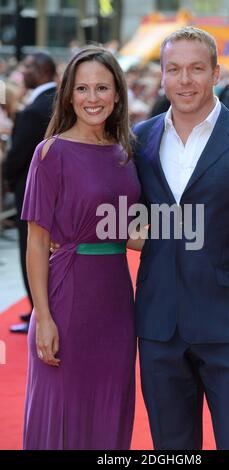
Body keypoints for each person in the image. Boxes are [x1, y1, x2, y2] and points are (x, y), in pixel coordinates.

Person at [133, 27, 229, 450]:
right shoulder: (138, 140)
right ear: (162, 76)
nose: (185, 80)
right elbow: (126, 219)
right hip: (158, 325)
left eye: (197, 68)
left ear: (216, 72)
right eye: (175, 69)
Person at [21, 46, 140, 449]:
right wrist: (45, 317)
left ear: (117, 94)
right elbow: (37, 242)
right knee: (63, 411)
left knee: (110, 410)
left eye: (102, 88)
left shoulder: (125, 153)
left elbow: (128, 232)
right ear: (69, 95)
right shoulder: (50, 153)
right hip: (66, 299)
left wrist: (198, 229)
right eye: (83, 88)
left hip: (117, 304)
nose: (93, 98)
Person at [3, 53, 57, 333]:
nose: (22, 71)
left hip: (31, 193)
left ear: (42, 70)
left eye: (27, 66)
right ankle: (37, 308)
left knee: (33, 248)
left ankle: (39, 310)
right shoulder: (59, 101)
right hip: (54, 193)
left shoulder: (35, 110)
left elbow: (17, 157)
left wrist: (9, 179)